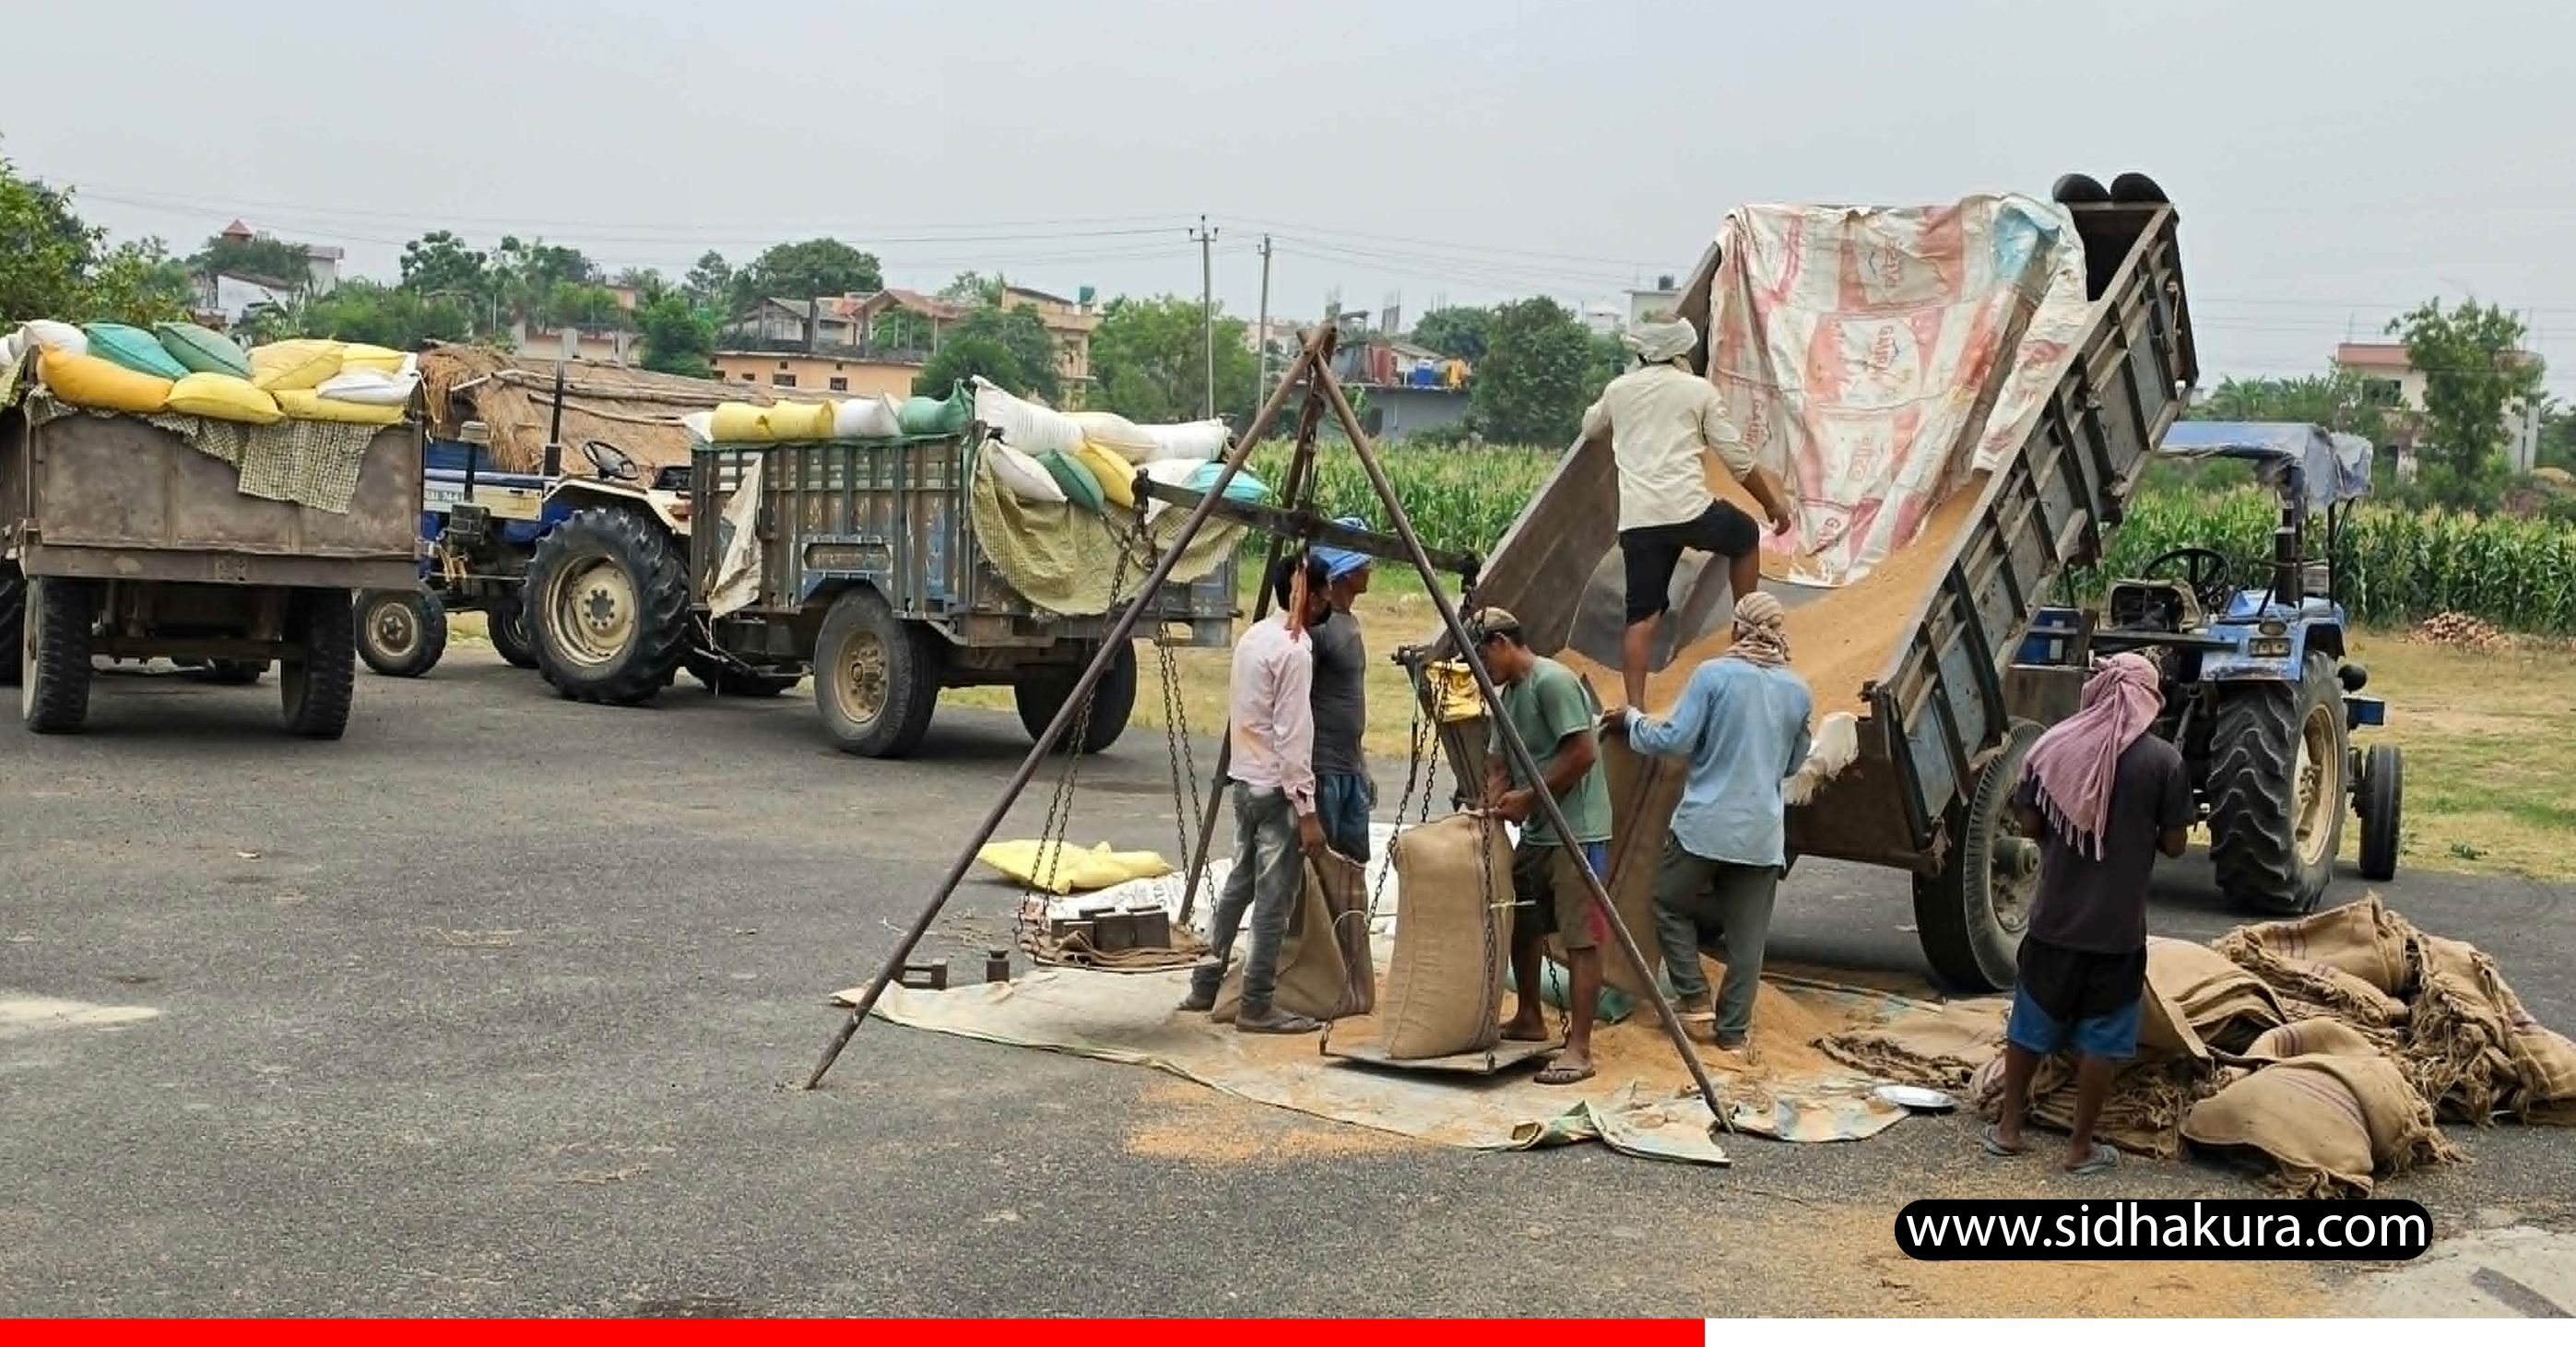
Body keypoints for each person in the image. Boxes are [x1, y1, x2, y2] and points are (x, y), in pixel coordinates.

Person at [1985, 652, 2191, 1176]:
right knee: (2103, 1039)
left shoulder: (2056, 748)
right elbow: (2174, 846)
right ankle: (2079, 1148)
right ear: (2148, 698)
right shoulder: (2163, 762)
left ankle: (2008, 1129)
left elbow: (2029, 826)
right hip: (2117, 933)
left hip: (2053, 923)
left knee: (2030, 1025)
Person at [1611, 591, 1811, 1057]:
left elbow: (1675, 739)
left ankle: (1694, 995)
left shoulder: (1713, 676)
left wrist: (1632, 720)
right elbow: (1794, 762)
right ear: (1779, 633)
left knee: (1665, 901)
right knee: (1748, 942)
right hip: (1762, 834)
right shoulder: (1798, 691)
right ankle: (1733, 1035)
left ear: (1738, 628)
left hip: (1705, 826)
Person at [1580, 318, 1795, 717]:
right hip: (1690, 510)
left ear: (1642, 353)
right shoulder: (1698, 391)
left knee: (1641, 616)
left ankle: (1636, 708)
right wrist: (1771, 505)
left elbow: (1590, 427)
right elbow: (1735, 457)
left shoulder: (1619, 390)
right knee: (1745, 535)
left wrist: (1625, 387)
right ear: (1681, 353)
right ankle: (1745, 634)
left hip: (1640, 521)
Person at [1183, 553, 1337, 1034]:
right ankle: (1257, 1004)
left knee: (1239, 884)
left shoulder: (1255, 637)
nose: (1330, 597)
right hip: (1277, 790)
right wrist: (1306, 809)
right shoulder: (1295, 650)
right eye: (1324, 589)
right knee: (1274, 898)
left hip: (1246, 783)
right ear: (1305, 596)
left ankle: (1204, 985)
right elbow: (1293, 734)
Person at [1471, 607, 1615, 1086]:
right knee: (1524, 922)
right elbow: (1498, 761)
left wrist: (1531, 796)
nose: (1484, 669)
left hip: (1578, 833)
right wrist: (1492, 802)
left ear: (1502, 644)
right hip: (1539, 833)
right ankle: (1530, 1015)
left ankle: (1580, 1047)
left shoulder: (1551, 683)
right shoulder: (1507, 696)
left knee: (1581, 937)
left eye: (1484, 657)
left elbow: (1582, 753)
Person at [1306, 520, 1376, 861]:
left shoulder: (1349, 621)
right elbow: (1299, 698)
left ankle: (1349, 918)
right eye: (1364, 563)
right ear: (1346, 573)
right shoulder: (1321, 627)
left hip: (1349, 767)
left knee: (1354, 863)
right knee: (1322, 865)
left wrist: (1361, 765)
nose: (1371, 568)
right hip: (1323, 769)